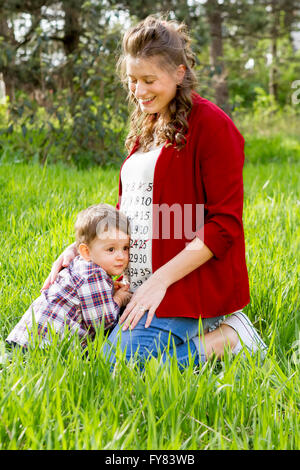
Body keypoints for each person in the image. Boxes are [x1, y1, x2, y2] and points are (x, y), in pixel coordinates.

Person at [42, 16, 267, 368]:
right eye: (132, 80)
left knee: (120, 367)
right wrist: (83, 249)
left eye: (149, 80)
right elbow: (132, 210)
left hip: (184, 288)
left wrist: (159, 281)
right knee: (71, 348)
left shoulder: (212, 126)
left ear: (179, 73)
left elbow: (225, 224)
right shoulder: (148, 125)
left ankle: (231, 337)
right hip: (136, 286)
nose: (138, 91)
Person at [6, 204, 132, 350]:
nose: (121, 256)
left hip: (30, 336)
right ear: (86, 251)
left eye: (125, 248)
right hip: (45, 344)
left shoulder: (83, 265)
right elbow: (101, 322)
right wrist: (119, 299)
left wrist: (108, 292)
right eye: (111, 249)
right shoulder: (93, 274)